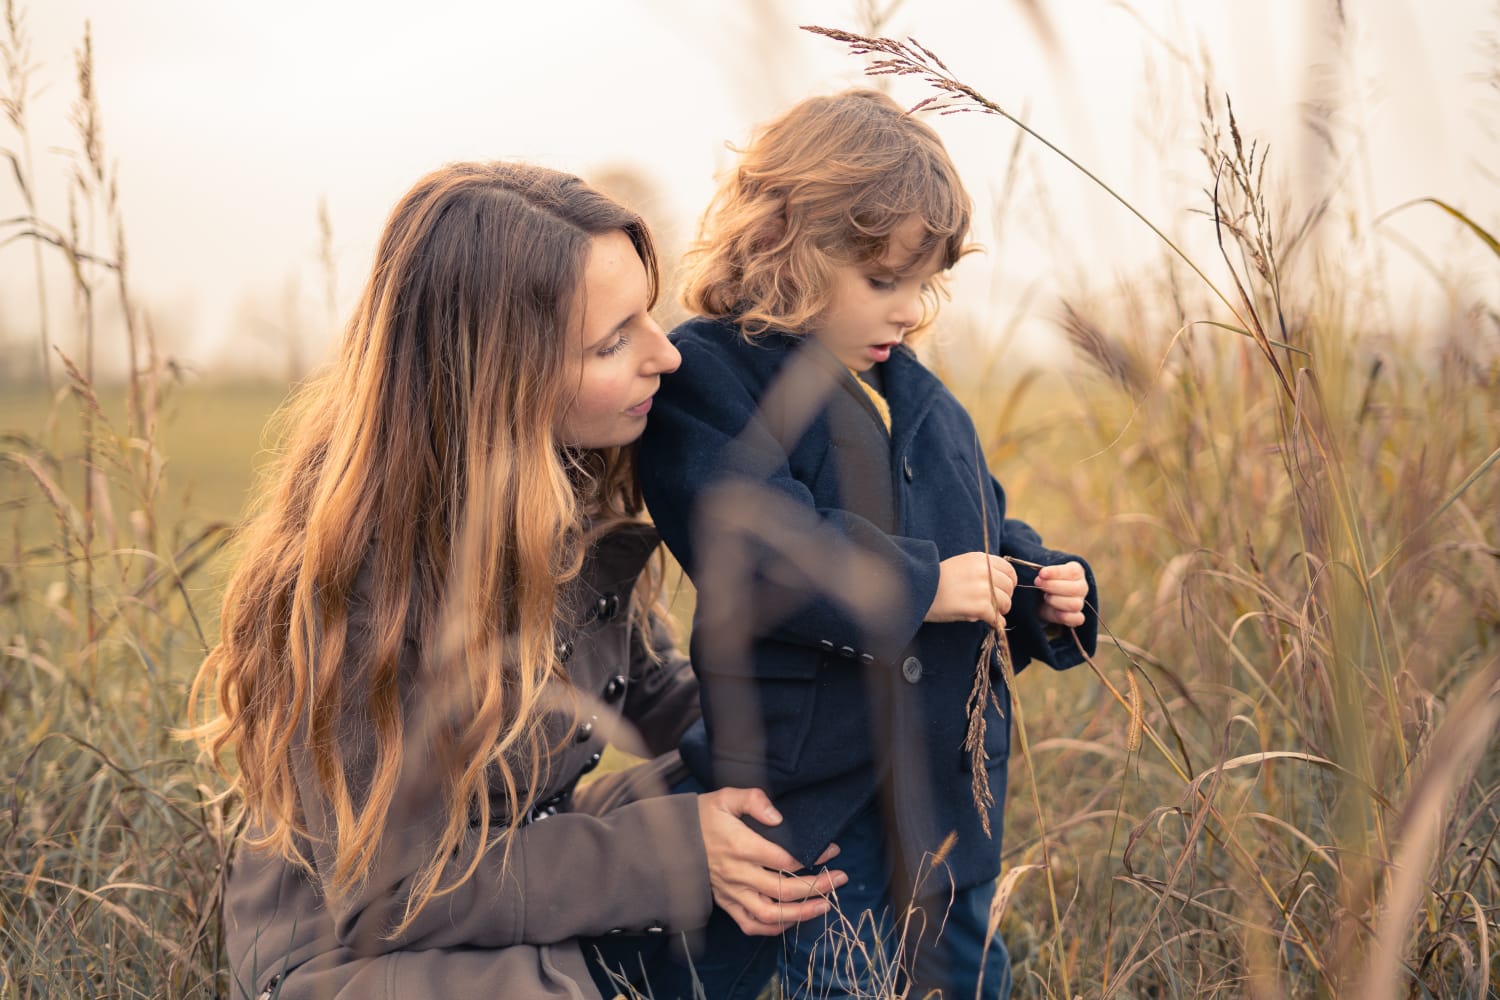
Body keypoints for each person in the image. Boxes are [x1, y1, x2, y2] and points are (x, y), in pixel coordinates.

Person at [189, 161, 848, 1000]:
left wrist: (801, 718)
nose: (666, 356)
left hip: (540, 862)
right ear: (502, 382)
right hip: (366, 947)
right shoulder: (362, 586)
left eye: (650, 313)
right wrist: (681, 853)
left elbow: (653, 699)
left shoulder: (573, 491)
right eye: (613, 341)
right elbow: (388, 893)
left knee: (787, 789)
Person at [638, 90, 1101, 999]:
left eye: (925, 283)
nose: (912, 309)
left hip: (948, 811)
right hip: (815, 813)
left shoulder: (922, 399)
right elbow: (755, 540)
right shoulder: (714, 376)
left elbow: (975, 530)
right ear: (784, 246)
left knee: (963, 980)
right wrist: (924, 585)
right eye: (884, 282)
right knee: (836, 981)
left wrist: (1044, 582)